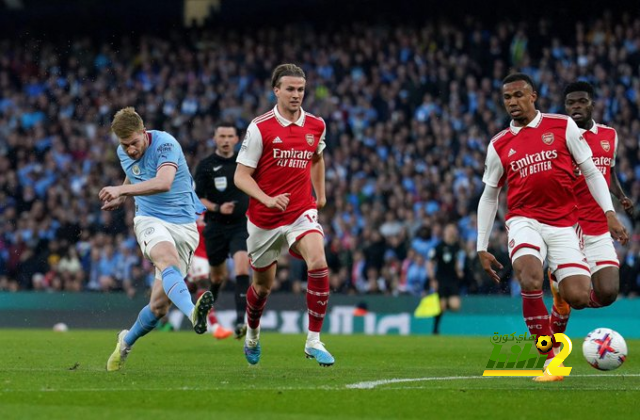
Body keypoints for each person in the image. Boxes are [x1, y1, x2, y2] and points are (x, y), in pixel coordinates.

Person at [476, 73, 628, 382]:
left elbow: (591, 171)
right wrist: (480, 245)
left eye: (518, 95)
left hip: (563, 225)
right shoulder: (499, 144)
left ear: (533, 96)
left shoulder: (561, 126)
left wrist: (610, 212)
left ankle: (560, 291)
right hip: (524, 221)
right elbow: (490, 194)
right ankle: (551, 360)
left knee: (580, 298)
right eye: (507, 97)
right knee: (530, 278)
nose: (512, 102)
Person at [234, 63, 334, 366]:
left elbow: (317, 158)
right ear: (276, 90)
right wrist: (267, 199)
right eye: (290, 89)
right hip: (263, 219)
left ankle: (313, 341)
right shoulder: (260, 127)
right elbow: (241, 176)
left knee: (318, 261)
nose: (296, 95)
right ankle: (252, 334)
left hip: (300, 211)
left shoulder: (316, 125)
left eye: (300, 89)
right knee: (263, 287)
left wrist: (321, 193)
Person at [101, 107, 214, 371]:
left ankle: (125, 342)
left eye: (134, 143)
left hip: (184, 223)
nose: (129, 150)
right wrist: (124, 195)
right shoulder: (123, 151)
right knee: (167, 259)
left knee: (159, 307)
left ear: (144, 132)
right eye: (124, 145)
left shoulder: (166, 144)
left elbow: (163, 182)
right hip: (149, 219)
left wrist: (122, 189)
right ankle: (193, 313)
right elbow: (136, 171)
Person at [549, 81, 634, 335]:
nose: (576, 107)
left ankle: (564, 295)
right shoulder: (558, 139)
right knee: (576, 298)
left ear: (592, 104)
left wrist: (620, 196)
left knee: (607, 293)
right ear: (565, 107)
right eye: (570, 103)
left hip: (599, 224)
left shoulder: (610, 136)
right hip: (569, 226)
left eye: (581, 101)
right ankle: (552, 350)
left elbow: (609, 171)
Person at [194, 123, 251, 339]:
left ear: (237, 139)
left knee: (242, 267)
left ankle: (239, 321)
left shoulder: (245, 163)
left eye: (230, 136)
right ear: (215, 139)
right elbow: (198, 198)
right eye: (222, 136)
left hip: (240, 226)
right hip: (215, 226)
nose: (226, 140)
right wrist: (218, 208)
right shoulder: (206, 165)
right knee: (217, 278)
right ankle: (203, 310)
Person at [427, 223, 464, 335]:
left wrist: (459, 271)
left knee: (456, 306)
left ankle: (444, 303)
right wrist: (432, 279)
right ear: (445, 232)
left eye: (453, 230)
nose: (451, 232)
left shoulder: (457, 247)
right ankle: (435, 329)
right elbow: (429, 263)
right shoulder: (438, 247)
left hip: (452, 280)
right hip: (441, 279)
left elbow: (459, 261)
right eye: (449, 230)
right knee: (440, 307)